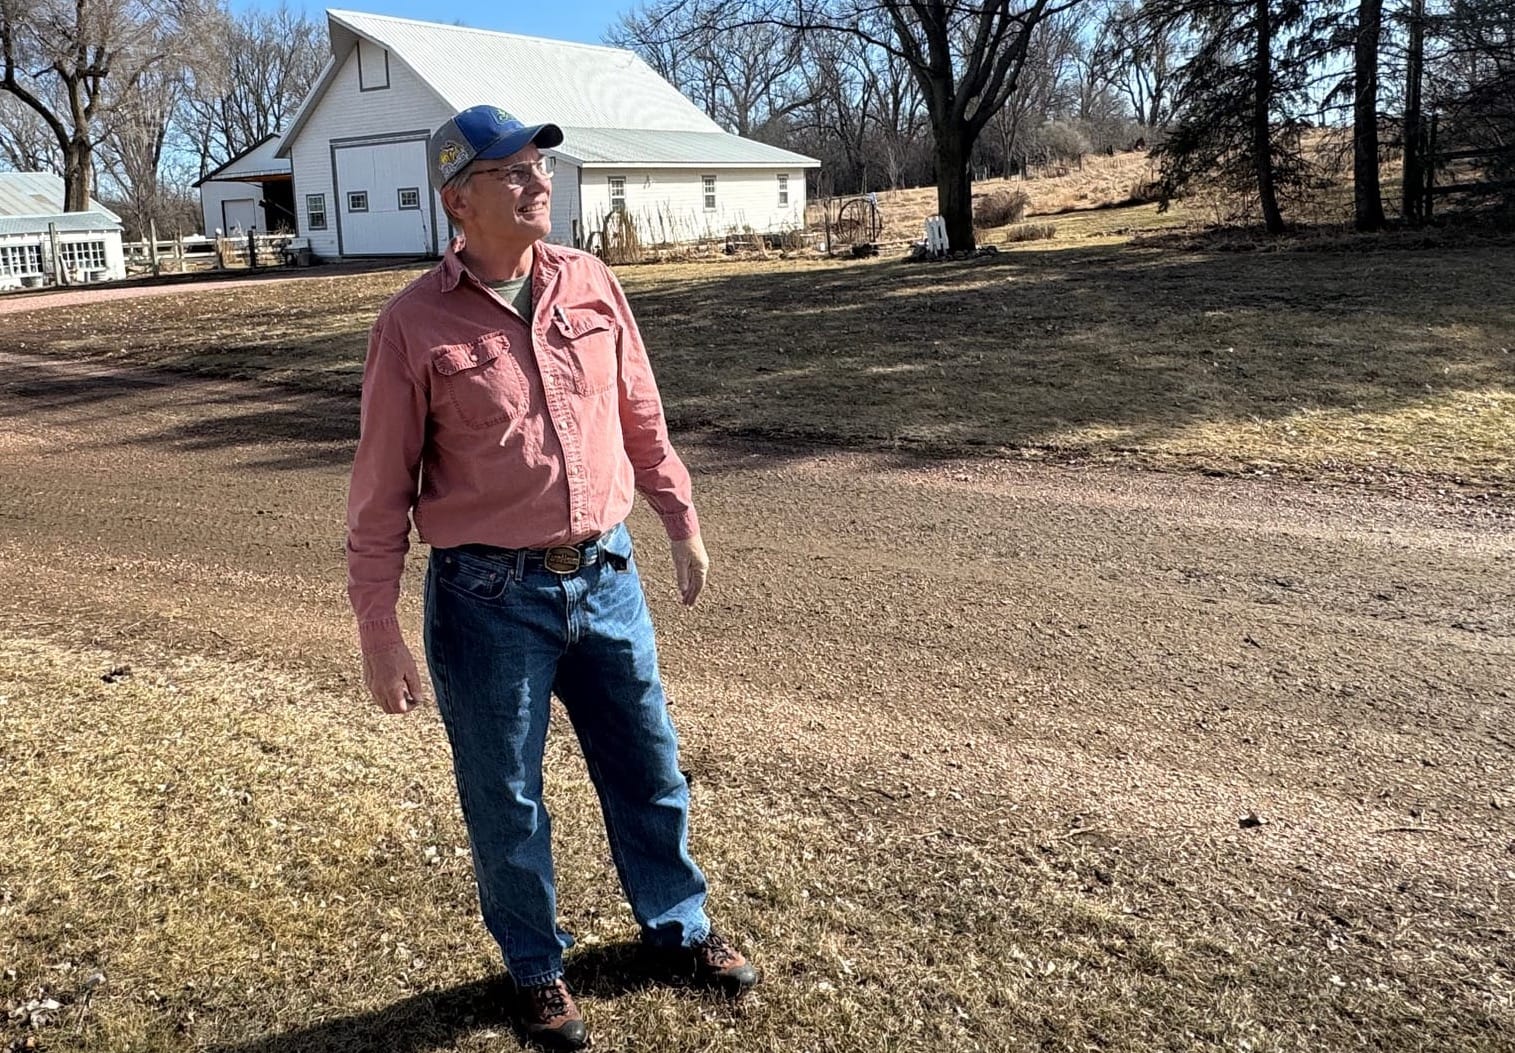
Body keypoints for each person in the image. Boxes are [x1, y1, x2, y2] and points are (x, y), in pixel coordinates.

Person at [345, 105, 757, 1051]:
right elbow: (377, 496)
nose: (540, 183)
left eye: (539, 166)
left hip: (608, 574)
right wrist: (379, 630)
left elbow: (641, 413)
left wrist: (678, 521)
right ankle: (535, 968)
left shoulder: (592, 281)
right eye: (513, 172)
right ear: (460, 201)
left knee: (648, 766)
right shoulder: (412, 325)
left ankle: (676, 926)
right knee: (506, 793)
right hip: (488, 600)